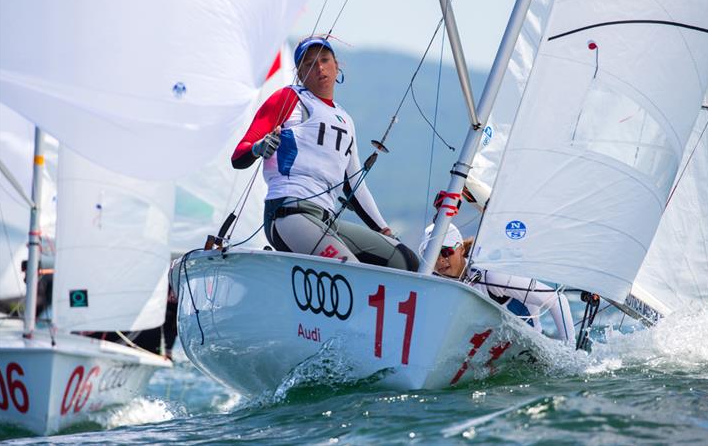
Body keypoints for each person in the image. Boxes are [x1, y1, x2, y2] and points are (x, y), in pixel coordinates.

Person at [232, 36, 419, 271]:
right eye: (309, 64)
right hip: (289, 215)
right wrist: (258, 148)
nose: (319, 68)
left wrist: (384, 230)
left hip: (326, 221)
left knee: (405, 260)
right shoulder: (289, 98)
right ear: (299, 74)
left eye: (324, 60)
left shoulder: (345, 120)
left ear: (336, 65)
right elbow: (239, 155)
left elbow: (354, 185)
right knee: (350, 269)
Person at [420, 223, 575, 344]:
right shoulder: (434, 285)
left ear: (460, 249)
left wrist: (569, 352)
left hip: (531, 354)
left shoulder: (490, 276)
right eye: (433, 253)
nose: (440, 259)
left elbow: (557, 300)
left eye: (446, 251)